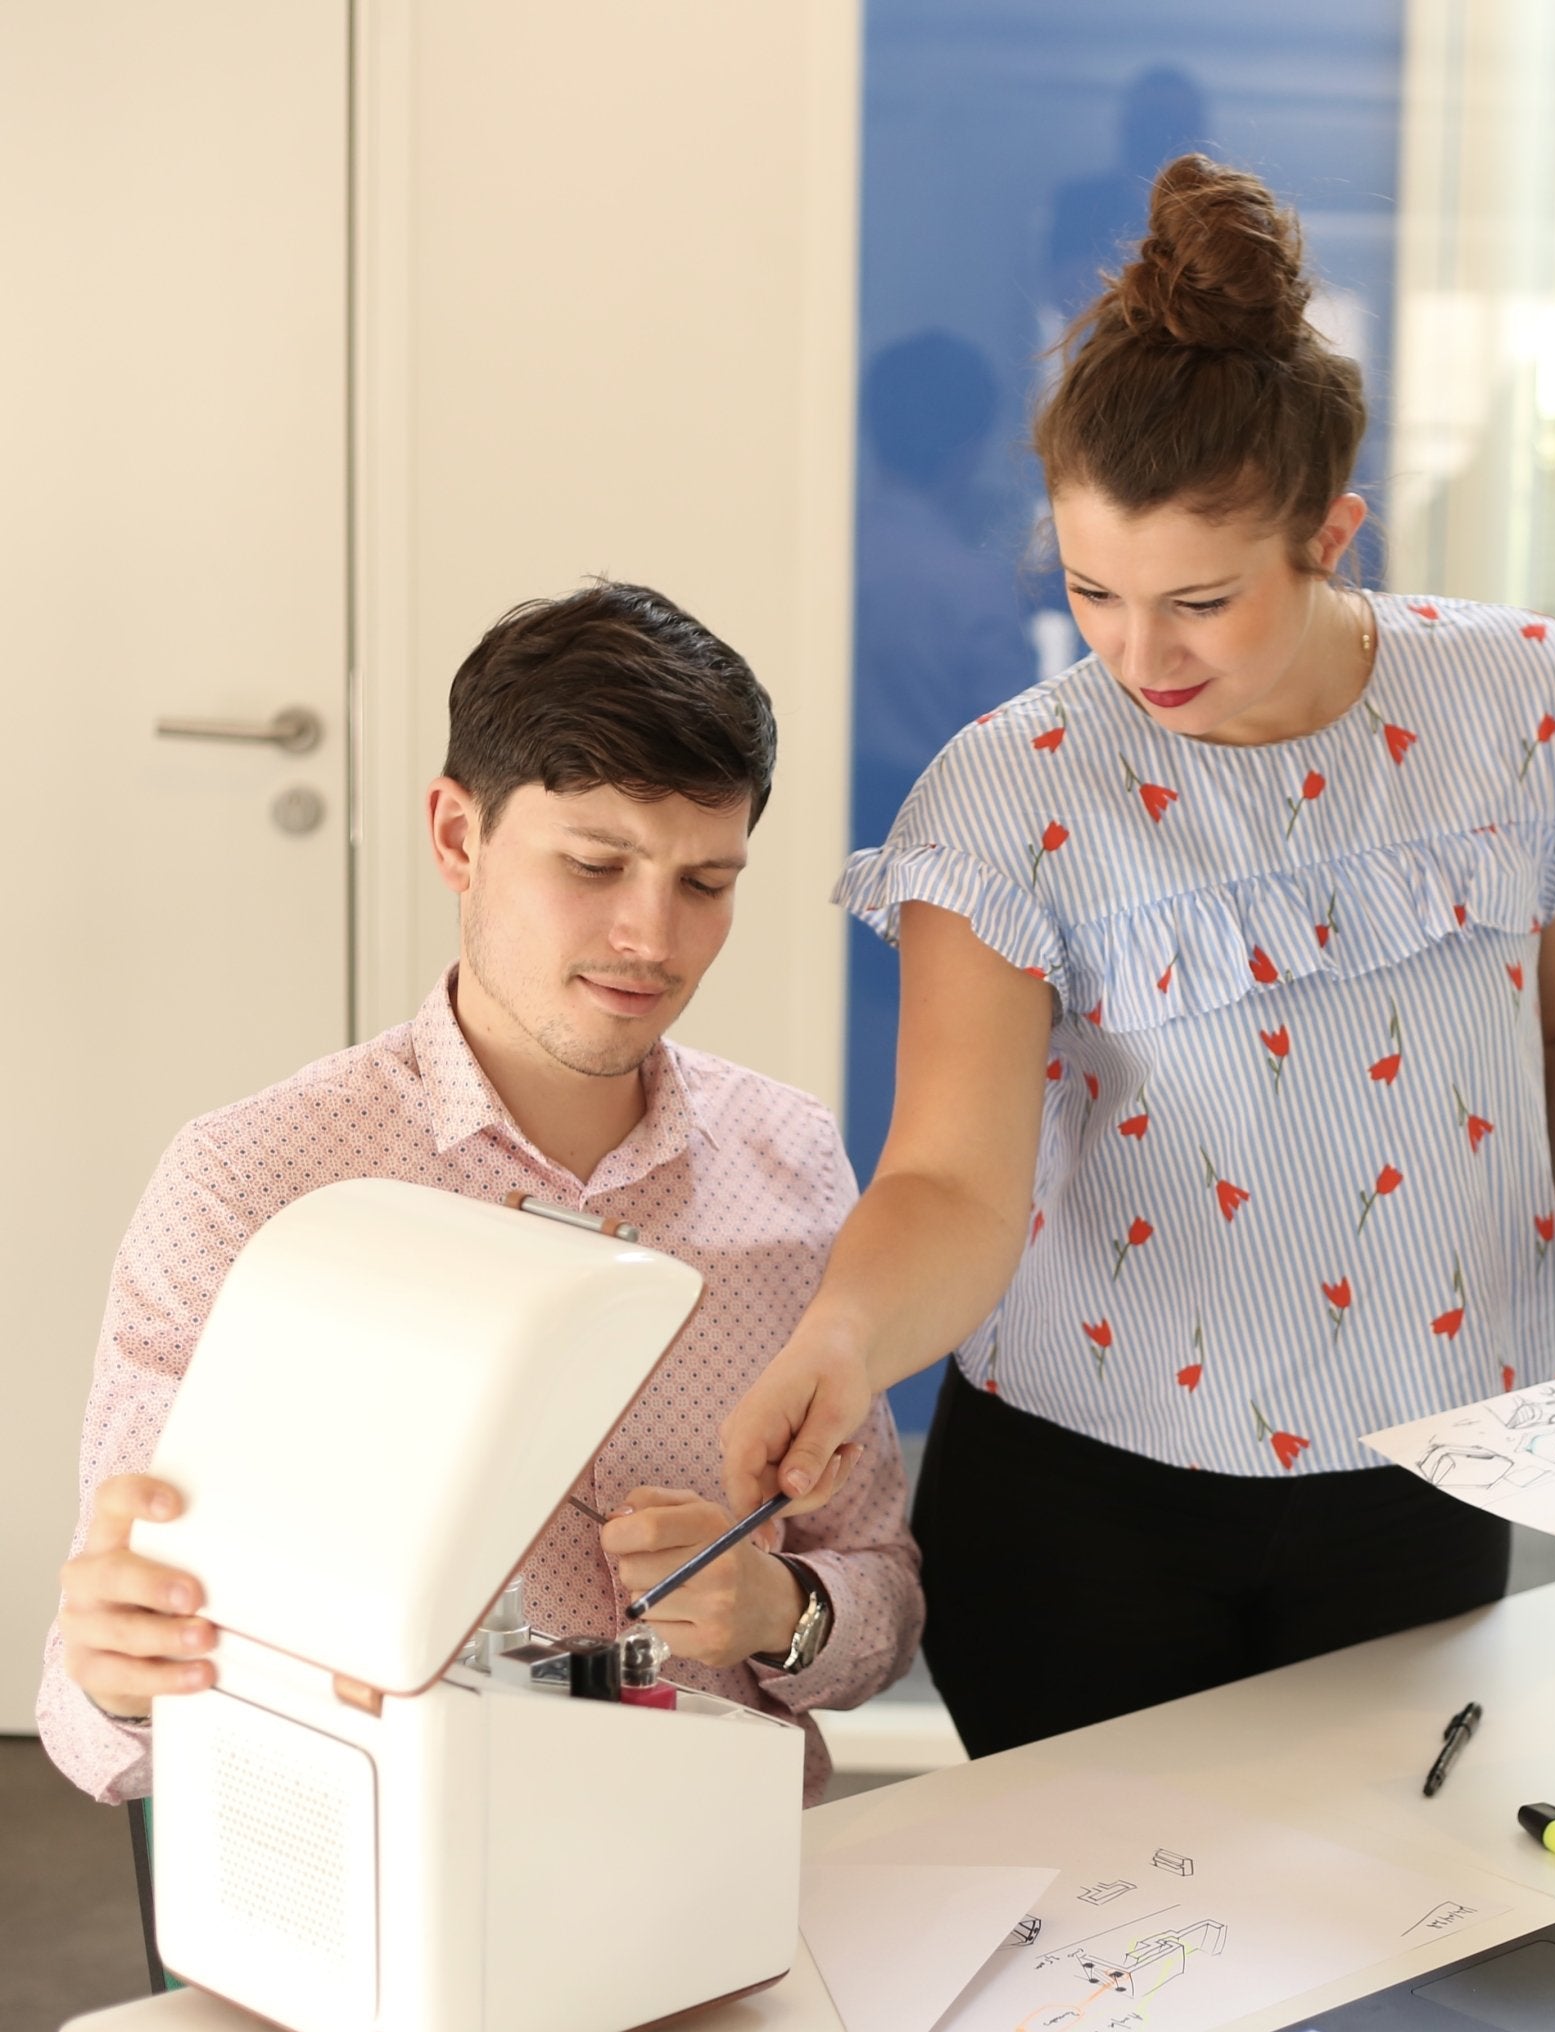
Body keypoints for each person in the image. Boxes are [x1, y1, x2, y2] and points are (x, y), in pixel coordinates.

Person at [721, 157, 1555, 1758]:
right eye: (1090, 589)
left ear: (1331, 535)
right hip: (1088, 1499)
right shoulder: (1011, 793)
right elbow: (951, 1183)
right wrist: (840, 1341)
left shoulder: (1523, 705)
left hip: (1433, 1460)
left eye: (1200, 602)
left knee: (1387, 1890)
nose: (1137, 652)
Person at [39, 581, 923, 1805]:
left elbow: (880, 1589)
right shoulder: (252, 1184)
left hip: (737, 1859)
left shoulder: (791, 1154)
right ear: (458, 836)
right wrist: (121, 1681)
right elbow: (94, 1709)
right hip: (394, 1866)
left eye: (705, 883)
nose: (653, 937)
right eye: (595, 864)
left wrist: (785, 1610)